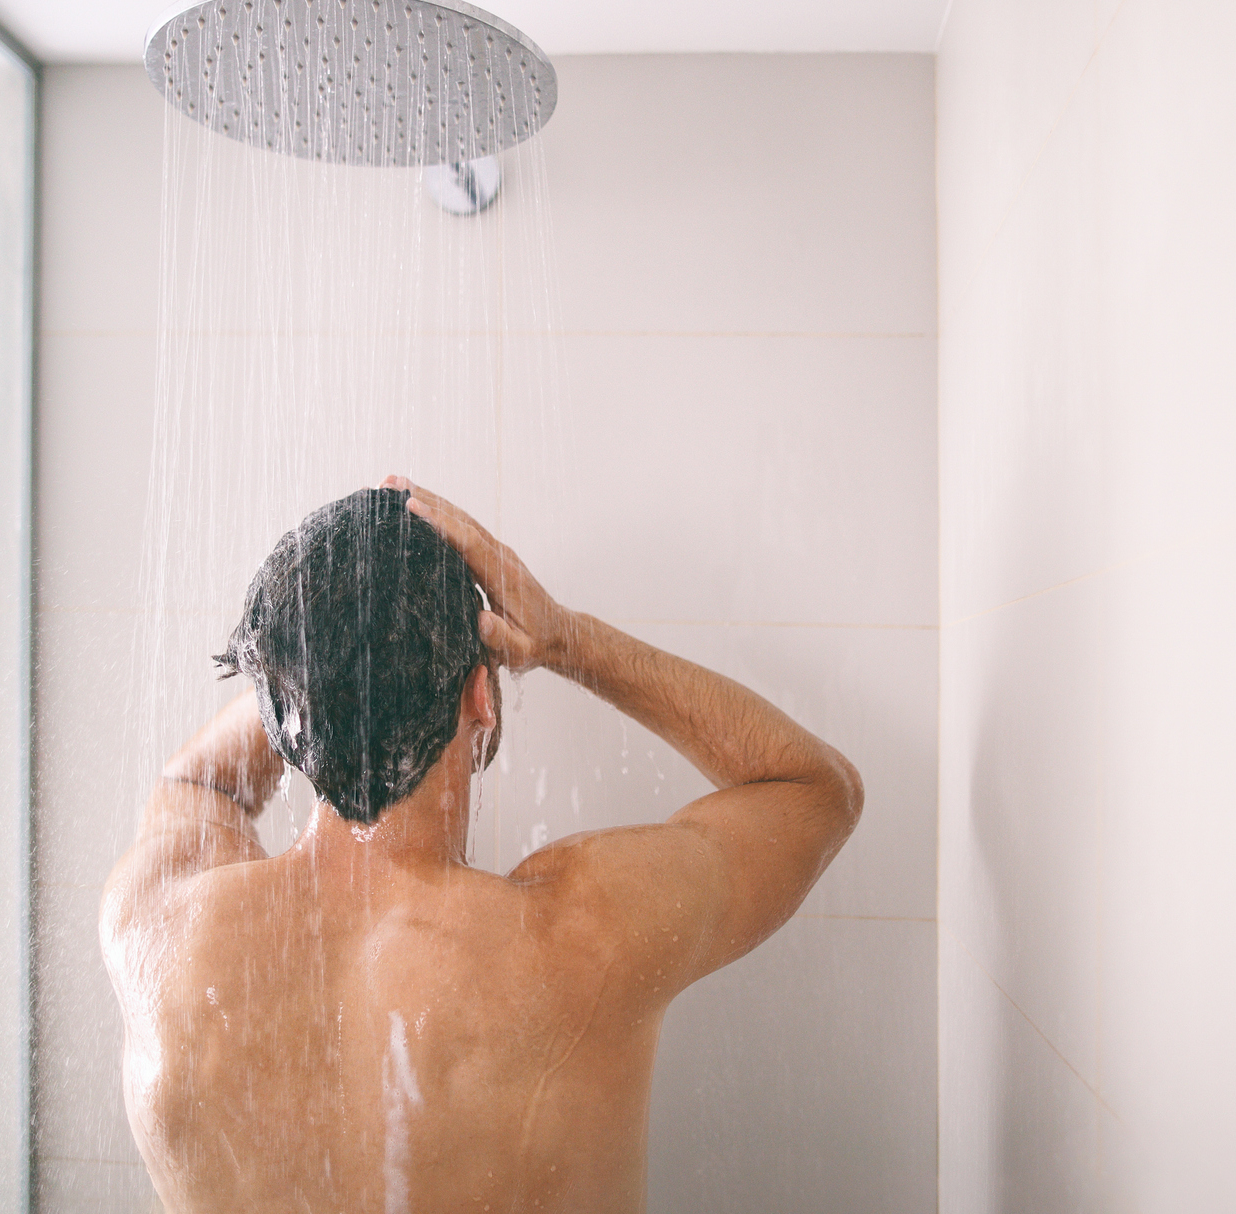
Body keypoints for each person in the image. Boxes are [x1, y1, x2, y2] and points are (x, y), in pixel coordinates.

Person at [101, 479, 863, 1213]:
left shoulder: (158, 928)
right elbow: (811, 790)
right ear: (479, 694)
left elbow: (196, 781)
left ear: (279, 709)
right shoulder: (582, 934)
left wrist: (318, 668)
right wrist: (561, 638)